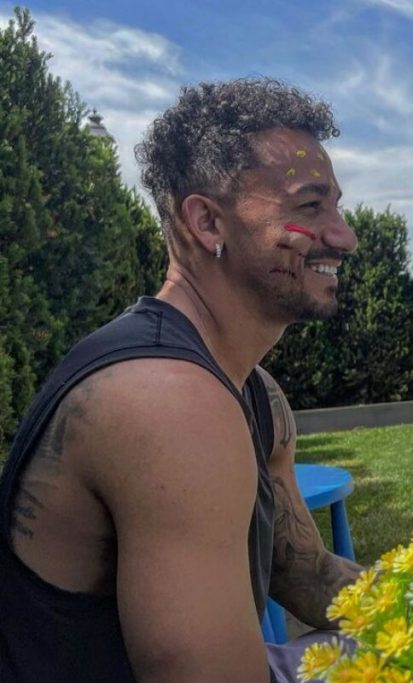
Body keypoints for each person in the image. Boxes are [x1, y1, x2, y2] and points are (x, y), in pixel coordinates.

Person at [0, 78, 364, 681]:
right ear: (208, 222)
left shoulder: (256, 393)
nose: (344, 235)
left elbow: (302, 571)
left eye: (336, 206)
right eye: (309, 206)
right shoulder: (167, 403)